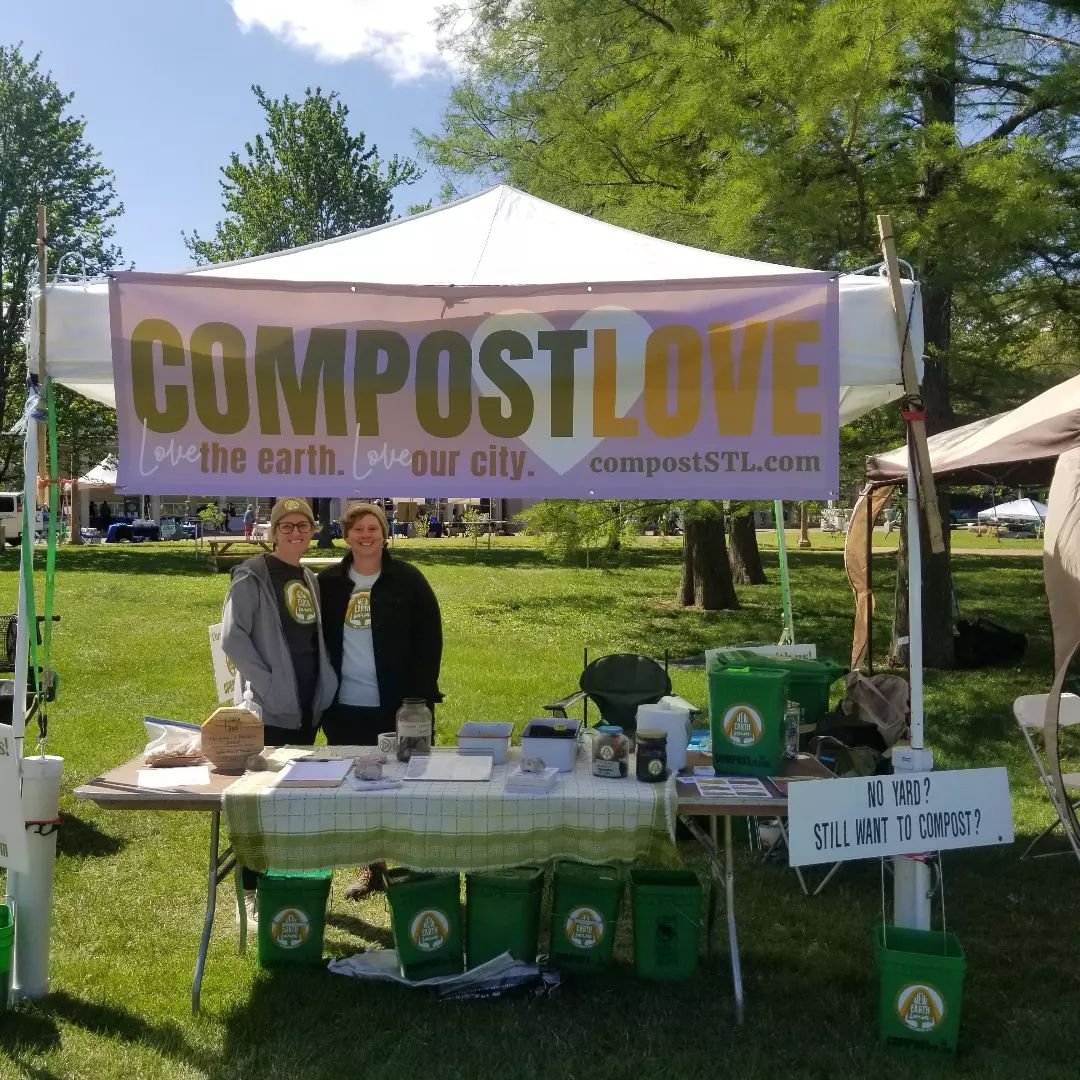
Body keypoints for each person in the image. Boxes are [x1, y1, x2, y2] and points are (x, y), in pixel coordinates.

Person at [221, 496, 338, 925]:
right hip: (270, 709)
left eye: (302, 526)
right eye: (286, 526)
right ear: (273, 532)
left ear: (312, 530)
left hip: (305, 705)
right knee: (260, 801)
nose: (295, 533)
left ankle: (285, 887)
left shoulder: (308, 575)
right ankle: (249, 893)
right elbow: (234, 638)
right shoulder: (251, 575)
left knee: (290, 799)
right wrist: (268, 686)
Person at [318, 502, 443, 899]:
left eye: (373, 528)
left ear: (384, 533)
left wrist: (419, 700)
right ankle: (372, 867)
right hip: (344, 707)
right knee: (359, 790)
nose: (365, 535)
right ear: (346, 536)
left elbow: (430, 641)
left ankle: (417, 866)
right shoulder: (328, 583)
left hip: (400, 706)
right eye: (357, 529)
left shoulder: (408, 580)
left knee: (409, 784)